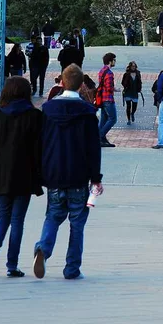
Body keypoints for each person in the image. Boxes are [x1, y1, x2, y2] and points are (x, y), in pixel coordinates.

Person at [33, 64, 103, 280]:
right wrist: (96, 178)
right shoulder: (88, 113)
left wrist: (40, 172)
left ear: (61, 83)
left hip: (54, 173)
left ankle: (43, 248)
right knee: (77, 223)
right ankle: (72, 268)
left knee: (53, 216)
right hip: (79, 175)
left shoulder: (48, 110)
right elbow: (94, 148)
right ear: (82, 84)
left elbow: (40, 143)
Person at [0, 76, 43, 277]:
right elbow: (38, 149)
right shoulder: (34, 116)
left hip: (0, 171)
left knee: (4, 215)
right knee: (17, 221)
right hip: (24, 172)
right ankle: (12, 265)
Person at [96, 52, 117, 147]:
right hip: (108, 98)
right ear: (110, 61)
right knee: (113, 119)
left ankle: (102, 140)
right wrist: (115, 89)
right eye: (114, 60)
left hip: (102, 98)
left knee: (103, 120)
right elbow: (109, 88)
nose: (115, 62)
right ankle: (99, 137)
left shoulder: (101, 71)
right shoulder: (109, 73)